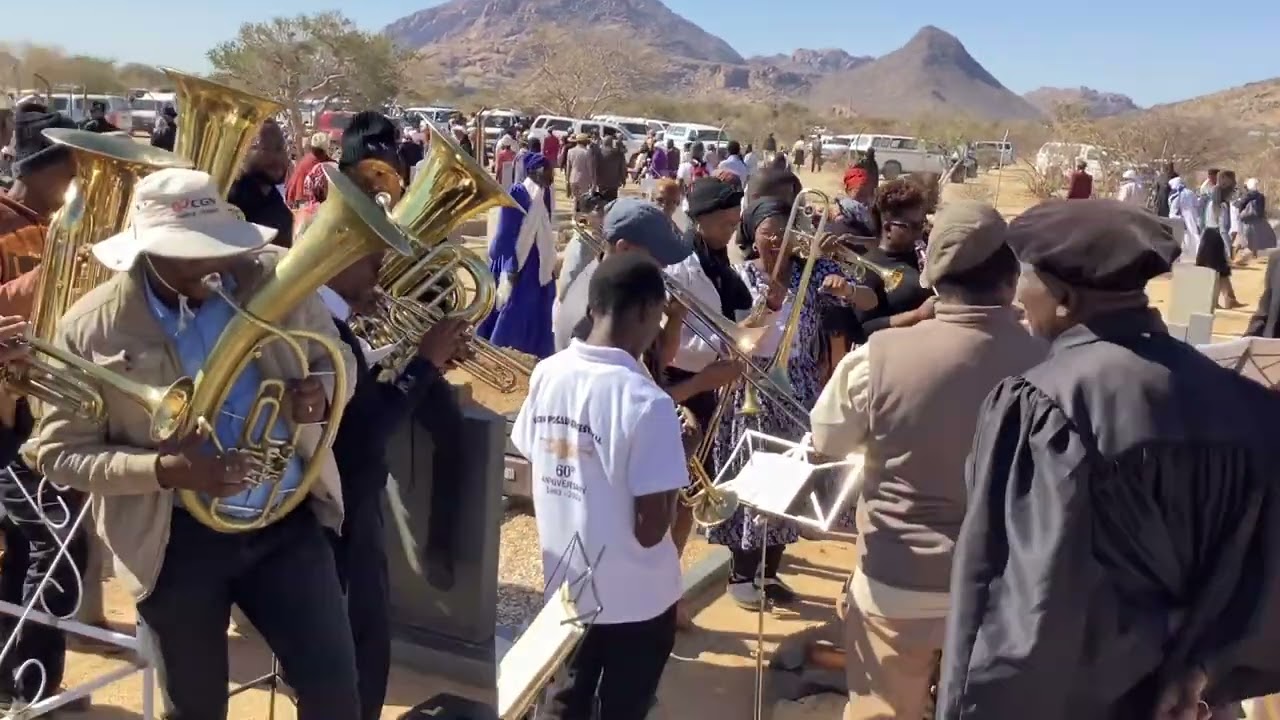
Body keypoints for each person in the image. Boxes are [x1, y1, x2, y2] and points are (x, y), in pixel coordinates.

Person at [32, 167, 361, 719]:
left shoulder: (270, 277)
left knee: (336, 698)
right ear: (148, 254)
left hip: (285, 524)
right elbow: (60, 455)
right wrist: (166, 470)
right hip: (173, 544)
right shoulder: (91, 328)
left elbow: (339, 358)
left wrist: (325, 395)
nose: (215, 261)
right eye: (192, 251)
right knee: (195, 711)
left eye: (217, 245)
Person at [939, 198, 1280, 720]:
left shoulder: (1043, 405)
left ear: (1065, 298)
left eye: (1027, 279)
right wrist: (1201, 670)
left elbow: (1020, 597)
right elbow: (1265, 573)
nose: (1018, 301)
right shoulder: (1248, 404)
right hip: (1194, 702)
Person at [810, 201, 1046, 720]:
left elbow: (826, 438)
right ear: (1011, 281)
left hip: (896, 580)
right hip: (1002, 587)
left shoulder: (879, 357)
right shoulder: (1051, 361)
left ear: (936, 285)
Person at [512, 252, 688, 720]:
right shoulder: (647, 403)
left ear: (592, 308)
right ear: (649, 312)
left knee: (564, 702)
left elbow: (535, 463)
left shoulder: (546, 373)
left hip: (566, 584)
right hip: (637, 601)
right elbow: (652, 530)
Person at [321, 233, 469, 720]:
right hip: (344, 499)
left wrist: (424, 360)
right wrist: (423, 362)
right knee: (363, 641)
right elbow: (370, 427)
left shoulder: (331, 318)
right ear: (339, 261)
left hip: (344, 494)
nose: (380, 277)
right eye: (373, 263)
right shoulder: (323, 325)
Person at [708, 198, 876, 608]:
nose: (778, 241)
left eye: (786, 232)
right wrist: (771, 298)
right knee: (755, 481)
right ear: (753, 236)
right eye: (768, 232)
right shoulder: (741, 276)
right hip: (753, 386)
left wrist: (848, 287)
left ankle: (769, 572)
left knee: (792, 482)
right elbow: (739, 334)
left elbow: (870, 300)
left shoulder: (813, 271)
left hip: (798, 384)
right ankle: (741, 574)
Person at [553, 199, 693, 354]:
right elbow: (648, 368)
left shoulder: (601, 279)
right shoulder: (598, 318)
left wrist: (675, 318)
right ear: (624, 248)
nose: (665, 266)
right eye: (658, 257)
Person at [477, 153, 557, 358]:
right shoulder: (517, 192)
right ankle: (500, 348)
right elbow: (506, 230)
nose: (551, 175)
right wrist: (509, 265)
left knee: (536, 306)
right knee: (512, 304)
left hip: (538, 260)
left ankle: (534, 350)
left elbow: (545, 226)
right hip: (517, 259)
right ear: (534, 172)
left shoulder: (545, 193)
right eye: (546, 170)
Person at [0, 108, 76, 319]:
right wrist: (54, 272)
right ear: (38, 167)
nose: (78, 175)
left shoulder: (66, 224)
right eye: (71, 166)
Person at [852, 179, 936, 336]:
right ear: (888, 228)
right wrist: (917, 316)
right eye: (913, 226)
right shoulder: (867, 266)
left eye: (922, 224)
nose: (920, 232)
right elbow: (861, 329)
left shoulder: (923, 256)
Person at [228, 118, 294, 247]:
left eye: (280, 148)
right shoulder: (228, 203)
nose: (277, 157)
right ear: (243, 151)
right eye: (265, 148)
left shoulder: (273, 198)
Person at [1196, 169, 1242, 308]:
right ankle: (1217, 300)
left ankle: (1228, 299)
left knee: (1219, 271)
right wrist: (1229, 250)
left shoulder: (1211, 203)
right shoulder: (1222, 206)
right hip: (1215, 239)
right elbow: (1223, 229)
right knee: (1218, 271)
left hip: (1208, 237)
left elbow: (1203, 223)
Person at [285, 132, 333, 208]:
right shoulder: (325, 164)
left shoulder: (306, 159)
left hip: (295, 201)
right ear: (327, 146)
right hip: (305, 205)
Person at [1235, 178, 1276, 256]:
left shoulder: (1247, 195)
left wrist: (1241, 214)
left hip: (1247, 220)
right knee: (1256, 239)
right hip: (1257, 220)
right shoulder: (1261, 196)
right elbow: (1261, 210)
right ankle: (1254, 256)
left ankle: (1235, 254)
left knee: (1244, 239)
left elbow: (1240, 205)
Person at [1169, 176, 1203, 259]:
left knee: (1186, 234)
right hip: (1193, 214)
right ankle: (1198, 251)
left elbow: (1174, 208)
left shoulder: (1176, 195)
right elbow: (1197, 204)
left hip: (1182, 216)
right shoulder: (1190, 192)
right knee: (1194, 233)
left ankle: (1188, 252)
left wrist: (1174, 217)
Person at [565, 134, 596, 209]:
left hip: (573, 178)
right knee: (583, 199)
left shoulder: (570, 151)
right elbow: (590, 168)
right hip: (584, 179)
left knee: (575, 199)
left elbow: (568, 167)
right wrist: (593, 182)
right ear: (585, 142)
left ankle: (574, 217)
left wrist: (567, 180)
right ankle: (581, 216)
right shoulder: (587, 152)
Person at [597, 136, 628, 203]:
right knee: (612, 202)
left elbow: (594, 167)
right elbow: (622, 168)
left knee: (601, 201)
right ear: (611, 143)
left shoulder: (599, 153)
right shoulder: (618, 153)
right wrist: (623, 179)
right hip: (614, 183)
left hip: (601, 182)